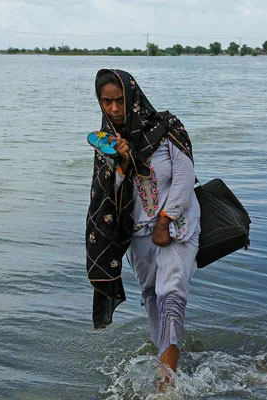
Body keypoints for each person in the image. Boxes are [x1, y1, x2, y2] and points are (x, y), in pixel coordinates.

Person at [86, 69, 200, 390]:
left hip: (178, 224)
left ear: (132, 97)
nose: (113, 109)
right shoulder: (106, 145)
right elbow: (111, 198)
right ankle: (169, 353)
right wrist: (121, 163)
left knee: (170, 292)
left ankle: (167, 385)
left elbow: (184, 176)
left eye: (120, 101)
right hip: (139, 231)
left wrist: (165, 220)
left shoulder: (167, 128)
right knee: (151, 295)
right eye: (106, 102)